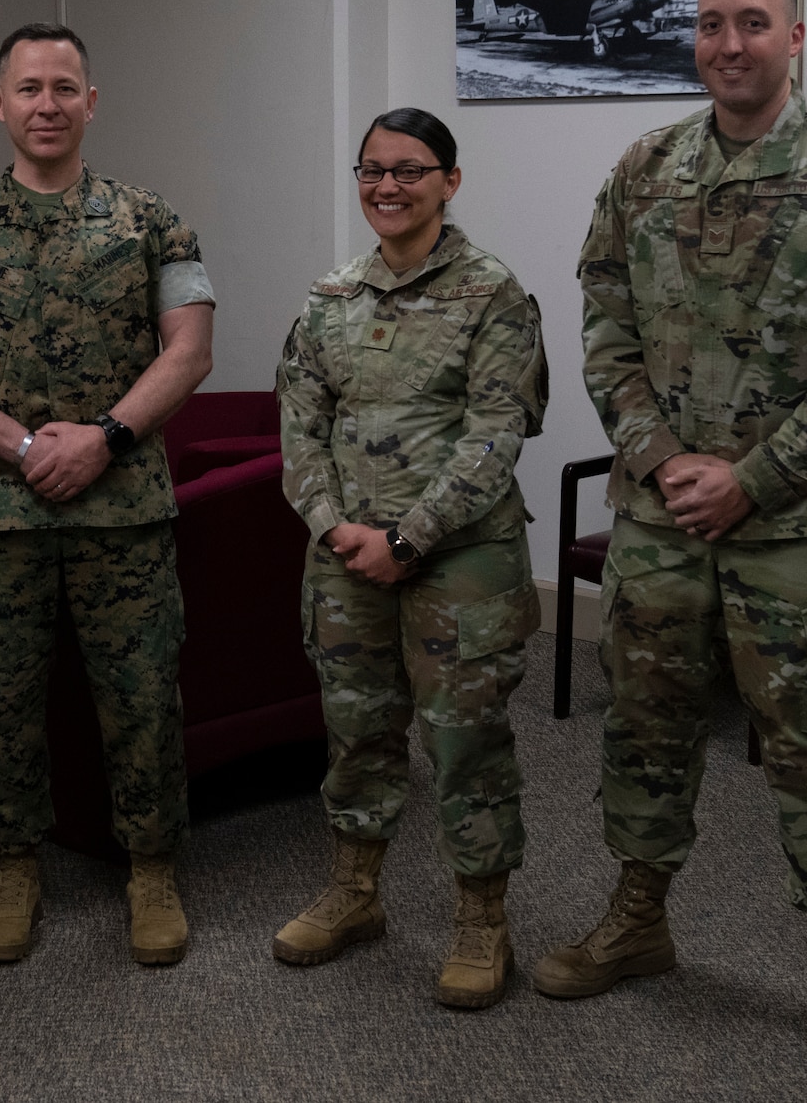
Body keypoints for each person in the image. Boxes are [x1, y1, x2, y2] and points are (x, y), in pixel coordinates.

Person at [536, 0, 807, 1082]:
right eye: (710, 24)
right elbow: (604, 325)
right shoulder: (645, 168)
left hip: (801, 520)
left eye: (750, 23)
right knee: (646, 727)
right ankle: (637, 917)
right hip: (661, 516)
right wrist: (661, 461)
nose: (727, 43)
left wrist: (750, 478)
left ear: (792, 37)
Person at [0, 23, 215, 966]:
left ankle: (151, 867)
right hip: (1, 514)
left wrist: (105, 438)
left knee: (144, 690)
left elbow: (189, 351)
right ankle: (13, 867)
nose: (46, 104)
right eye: (28, 88)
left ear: (91, 102)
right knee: (0, 697)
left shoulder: (156, 221)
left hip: (126, 510)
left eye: (64, 88)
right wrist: (27, 445)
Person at [273, 107, 546, 1010]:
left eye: (409, 170)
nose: (386, 187)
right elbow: (300, 426)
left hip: (458, 563)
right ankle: (355, 893)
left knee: (466, 746)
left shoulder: (492, 295)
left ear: (449, 182)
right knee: (358, 731)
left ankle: (481, 919)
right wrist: (332, 525)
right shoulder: (331, 297)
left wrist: (408, 539)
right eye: (371, 170)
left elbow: (497, 433)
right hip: (345, 559)